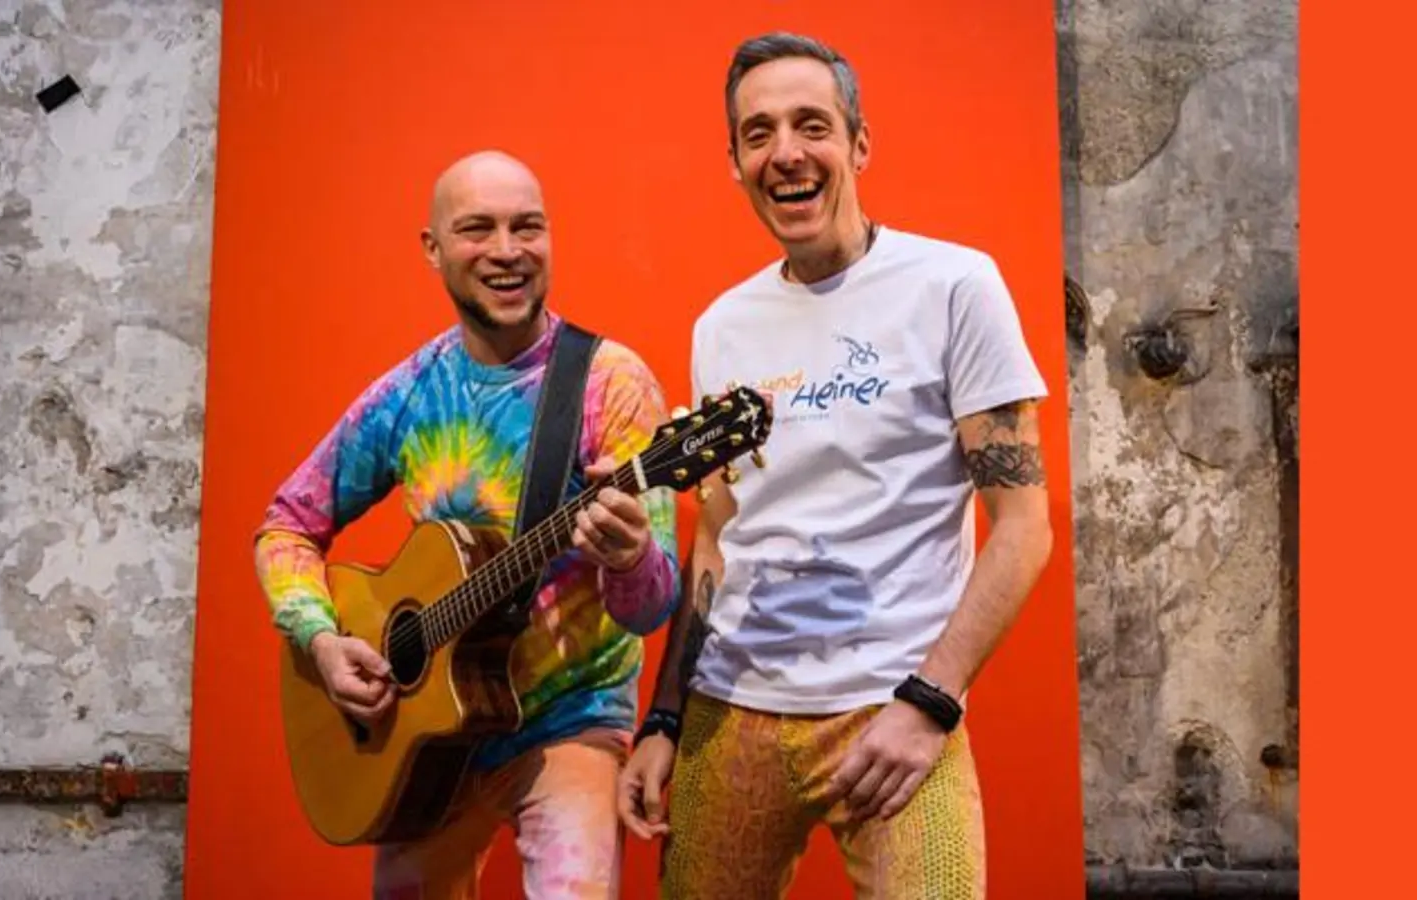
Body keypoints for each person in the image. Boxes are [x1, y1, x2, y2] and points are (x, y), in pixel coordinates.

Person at [617, 32, 1054, 899]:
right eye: (758, 133)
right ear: (737, 163)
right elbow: (717, 536)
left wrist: (931, 703)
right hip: (730, 709)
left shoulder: (955, 287)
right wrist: (664, 716)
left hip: (893, 707)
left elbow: (1024, 527)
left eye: (811, 125)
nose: (786, 152)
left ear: (858, 143)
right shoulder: (722, 327)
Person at [254, 149, 681, 899]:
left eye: (528, 227)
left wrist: (631, 554)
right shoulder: (409, 393)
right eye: (478, 229)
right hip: (428, 746)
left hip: (569, 720)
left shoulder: (611, 384)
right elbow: (286, 525)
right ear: (434, 249)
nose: (507, 251)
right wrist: (320, 641)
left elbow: (648, 608)